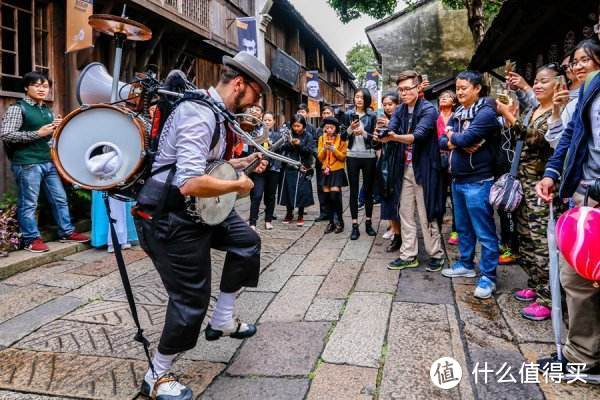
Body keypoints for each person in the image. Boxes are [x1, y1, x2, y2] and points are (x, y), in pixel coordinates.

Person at [133, 52, 270, 399]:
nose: (256, 104)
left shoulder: (217, 114)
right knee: (191, 296)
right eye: (257, 94)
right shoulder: (198, 113)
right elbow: (190, 182)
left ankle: (222, 319)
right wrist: (238, 186)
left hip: (197, 212)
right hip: (168, 215)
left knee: (246, 242)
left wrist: (243, 163)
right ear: (240, 84)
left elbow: (209, 164)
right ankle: (157, 374)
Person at [536, 41, 600, 380]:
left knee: (581, 279)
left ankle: (585, 356)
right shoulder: (587, 93)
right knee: (577, 278)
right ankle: (583, 354)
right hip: (583, 196)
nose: (577, 66)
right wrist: (551, 174)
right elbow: (567, 139)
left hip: (593, 196)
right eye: (573, 62)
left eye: (585, 59)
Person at [497, 64, 562, 321]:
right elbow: (519, 135)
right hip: (523, 180)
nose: (537, 85)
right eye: (535, 81)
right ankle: (535, 286)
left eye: (543, 81)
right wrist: (511, 116)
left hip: (541, 183)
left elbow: (537, 138)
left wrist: (510, 116)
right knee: (525, 237)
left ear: (557, 84)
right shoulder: (534, 109)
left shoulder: (556, 113)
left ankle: (548, 298)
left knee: (542, 243)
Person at [0, 71, 89, 253]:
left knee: (60, 198)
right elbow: (6, 134)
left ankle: (66, 232)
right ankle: (31, 239)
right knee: (29, 203)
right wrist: (37, 133)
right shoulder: (18, 108)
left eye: (45, 86)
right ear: (26, 87)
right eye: (37, 85)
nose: (42, 89)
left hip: (48, 161)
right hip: (27, 163)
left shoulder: (46, 110)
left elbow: (47, 138)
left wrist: (55, 129)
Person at [439, 71, 501, 299]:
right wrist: (457, 139)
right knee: (463, 227)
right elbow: (442, 141)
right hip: (458, 179)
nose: (459, 92)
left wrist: (456, 138)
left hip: (479, 180)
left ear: (477, 88)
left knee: (484, 232)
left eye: (464, 87)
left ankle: (489, 277)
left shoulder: (485, 113)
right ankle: (465, 263)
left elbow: (461, 139)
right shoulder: (459, 112)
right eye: (457, 88)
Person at [378, 71, 445, 271]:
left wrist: (393, 137)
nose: (404, 93)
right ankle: (408, 254)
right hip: (404, 168)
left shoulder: (428, 110)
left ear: (418, 88)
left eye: (408, 88)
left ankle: (436, 254)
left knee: (427, 213)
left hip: (424, 169)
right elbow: (392, 127)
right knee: (405, 212)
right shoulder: (400, 110)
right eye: (401, 89)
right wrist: (382, 134)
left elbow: (418, 136)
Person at [344, 88, 378, 240]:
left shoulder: (372, 116)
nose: (358, 100)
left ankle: (369, 223)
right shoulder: (348, 115)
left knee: (368, 190)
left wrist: (363, 133)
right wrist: (351, 129)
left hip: (369, 156)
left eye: (362, 98)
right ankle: (355, 225)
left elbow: (376, 138)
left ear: (366, 100)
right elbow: (342, 135)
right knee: (353, 190)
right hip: (352, 156)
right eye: (357, 97)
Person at [248, 111, 282, 230]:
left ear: (273, 122)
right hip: (259, 169)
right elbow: (251, 149)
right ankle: (252, 222)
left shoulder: (278, 136)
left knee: (270, 196)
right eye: (265, 120)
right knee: (257, 195)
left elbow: (280, 152)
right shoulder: (256, 134)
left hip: (273, 169)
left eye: (269, 120)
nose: (267, 122)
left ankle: (268, 220)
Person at [377, 92, 402, 252]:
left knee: (397, 201)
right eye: (385, 104)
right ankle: (394, 230)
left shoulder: (400, 119)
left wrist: (390, 125)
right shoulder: (382, 120)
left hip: (399, 164)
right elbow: (378, 144)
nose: (387, 107)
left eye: (390, 104)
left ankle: (399, 234)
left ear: (397, 105)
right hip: (385, 163)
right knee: (387, 198)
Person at [279, 114, 314, 226]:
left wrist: (299, 145)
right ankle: (289, 213)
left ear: (303, 126)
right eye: (294, 126)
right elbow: (282, 148)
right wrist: (290, 143)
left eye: (299, 126)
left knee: (302, 192)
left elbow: (309, 151)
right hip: (289, 166)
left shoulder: (308, 136)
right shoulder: (288, 134)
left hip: (303, 167)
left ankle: (300, 214)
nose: (296, 128)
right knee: (288, 191)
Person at [318, 116, 348, 234]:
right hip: (325, 169)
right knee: (327, 198)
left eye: (331, 127)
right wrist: (325, 149)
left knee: (335, 196)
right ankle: (331, 222)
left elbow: (343, 157)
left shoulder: (342, 138)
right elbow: (320, 158)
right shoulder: (321, 138)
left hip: (337, 170)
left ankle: (340, 222)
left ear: (336, 128)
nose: (329, 129)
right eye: (327, 128)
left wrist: (334, 149)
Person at [437, 90, 459, 246]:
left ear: (454, 102)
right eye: (441, 97)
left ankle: (456, 230)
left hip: (454, 159)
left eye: (447, 97)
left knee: (455, 197)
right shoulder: (434, 117)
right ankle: (436, 227)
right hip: (437, 158)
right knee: (438, 195)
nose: (443, 99)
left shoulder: (457, 118)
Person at [314, 106, 336, 222]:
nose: (326, 115)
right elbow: (314, 145)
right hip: (321, 163)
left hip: (334, 163)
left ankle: (334, 213)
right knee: (321, 187)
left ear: (333, 114)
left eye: (328, 113)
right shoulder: (318, 130)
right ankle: (324, 212)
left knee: (333, 188)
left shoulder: (337, 130)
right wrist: (318, 154)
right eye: (324, 113)